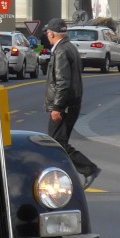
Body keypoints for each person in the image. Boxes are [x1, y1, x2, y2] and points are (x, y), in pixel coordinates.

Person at [42, 18, 100, 188]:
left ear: (51, 34)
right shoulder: (70, 47)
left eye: (47, 32)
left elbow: (63, 82)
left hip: (65, 105)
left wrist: (57, 107)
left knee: (55, 144)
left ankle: (88, 169)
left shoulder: (61, 51)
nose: (47, 35)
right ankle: (61, 179)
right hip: (71, 102)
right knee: (58, 144)